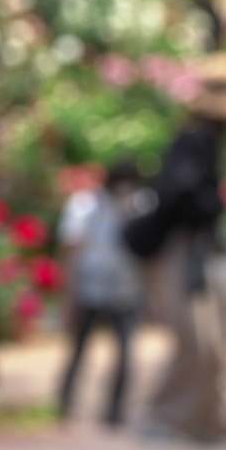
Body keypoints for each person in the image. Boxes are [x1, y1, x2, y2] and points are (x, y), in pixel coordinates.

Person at [143, 52, 226, 442]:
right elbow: (179, 195)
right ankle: (167, 419)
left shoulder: (207, 141)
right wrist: (219, 201)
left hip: (200, 250)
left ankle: (203, 422)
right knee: (196, 340)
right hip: (184, 249)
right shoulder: (194, 139)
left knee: (214, 343)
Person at [57, 160, 148, 426]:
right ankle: (64, 405)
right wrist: (68, 296)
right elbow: (70, 252)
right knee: (78, 351)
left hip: (125, 292)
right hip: (89, 290)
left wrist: (154, 297)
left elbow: (149, 257)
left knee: (125, 355)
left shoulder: (141, 207)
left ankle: (115, 413)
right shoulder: (85, 205)